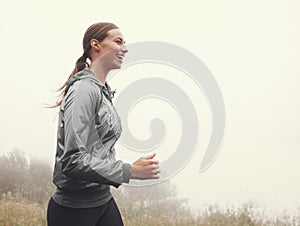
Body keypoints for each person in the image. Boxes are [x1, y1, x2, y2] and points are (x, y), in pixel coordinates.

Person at [47, 22, 160, 226]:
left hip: (103, 201)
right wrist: (130, 171)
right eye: (118, 41)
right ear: (95, 44)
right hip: (73, 211)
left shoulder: (102, 91)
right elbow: (72, 160)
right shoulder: (83, 90)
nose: (124, 48)